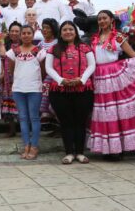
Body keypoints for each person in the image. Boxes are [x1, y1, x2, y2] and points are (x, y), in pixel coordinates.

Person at [88, 10, 135, 158]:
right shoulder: (94, 39)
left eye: (104, 18)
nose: (102, 21)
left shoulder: (118, 36)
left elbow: (132, 54)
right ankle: (107, 149)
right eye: (100, 19)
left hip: (114, 75)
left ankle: (117, 149)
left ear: (111, 20)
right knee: (103, 112)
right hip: (98, 76)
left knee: (115, 112)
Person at [46, 21, 96, 164]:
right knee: (66, 122)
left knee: (80, 122)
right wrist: (61, 80)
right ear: (60, 33)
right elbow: (48, 68)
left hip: (82, 89)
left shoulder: (85, 47)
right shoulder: (53, 49)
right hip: (59, 90)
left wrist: (82, 79)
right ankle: (68, 153)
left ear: (75, 32)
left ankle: (80, 153)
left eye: (70, 29)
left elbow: (92, 65)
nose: (68, 32)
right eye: (65, 30)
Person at [6, 25, 46, 160]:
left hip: (35, 88)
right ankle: (26, 145)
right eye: (24, 33)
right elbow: (11, 70)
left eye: (29, 33)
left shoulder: (39, 51)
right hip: (18, 88)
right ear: (20, 35)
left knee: (34, 117)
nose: (26, 35)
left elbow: (43, 70)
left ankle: (34, 146)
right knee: (22, 118)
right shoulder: (13, 51)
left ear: (33, 34)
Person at [1, 21, 22, 136]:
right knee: (9, 100)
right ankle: (11, 129)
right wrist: (2, 41)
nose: (14, 33)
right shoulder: (6, 44)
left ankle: (24, 128)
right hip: (8, 77)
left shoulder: (25, 44)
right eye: (12, 31)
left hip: (21, 76)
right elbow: (3, 55)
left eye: (17, 31)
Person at [38, 18, 59, 129]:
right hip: (43, 75)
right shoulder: (41, 44)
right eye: (43, 27)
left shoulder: (57, 43)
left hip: (54, 76)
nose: (45, 30)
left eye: (47, 28)